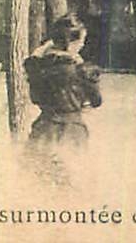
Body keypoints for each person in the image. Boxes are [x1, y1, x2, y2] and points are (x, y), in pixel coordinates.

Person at [24, 14, 102, 166]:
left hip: (44, 127)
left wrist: (47, 47)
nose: (82, 45)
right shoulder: (83, 71)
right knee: (70, 180)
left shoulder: (38, 68)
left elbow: (35, 98)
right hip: (72, 131)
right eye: (81, 41)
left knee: (37, 177)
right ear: (72, 42)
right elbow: (96, 101)